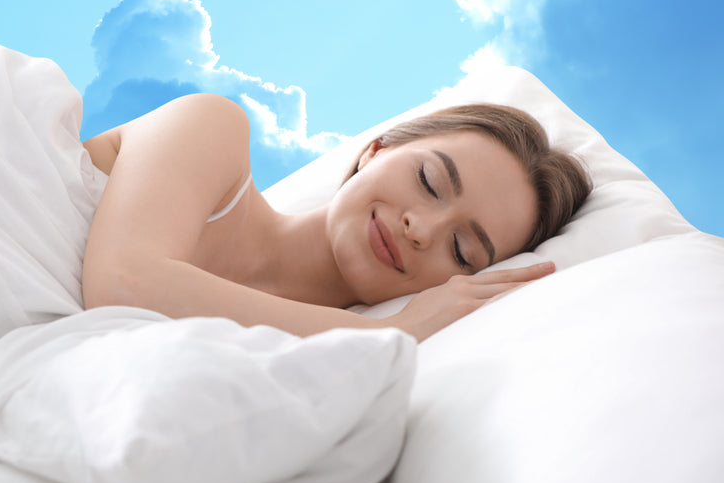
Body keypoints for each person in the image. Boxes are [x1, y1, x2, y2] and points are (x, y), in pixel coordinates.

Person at [82, 94, 591, 342]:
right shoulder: (212, 129)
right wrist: (397, 331)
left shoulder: (323, 362)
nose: (422, 229)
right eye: (430, 182)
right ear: (374, 151)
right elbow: (124, 282)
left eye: (462, 251)